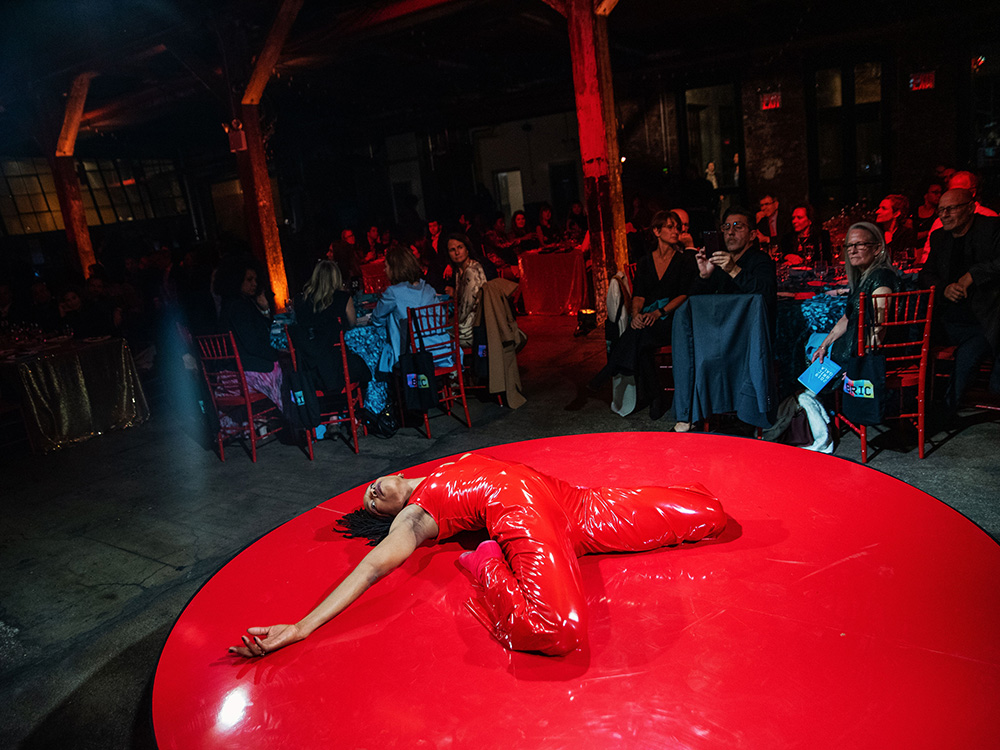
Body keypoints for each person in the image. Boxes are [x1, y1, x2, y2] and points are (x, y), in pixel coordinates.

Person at [228, 452, 726, 659]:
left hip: (568, 501)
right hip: (521, 512)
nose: (372, 494)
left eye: (371, 490)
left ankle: (500, 555)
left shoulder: (439, 468)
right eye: (372, 505)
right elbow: (373, 565)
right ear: (392, 515)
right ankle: (486, 562)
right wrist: (302, 626)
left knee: (708, 513)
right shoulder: (416, 515)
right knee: (557, 629)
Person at [590, 211, 697, 420]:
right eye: (670, 227)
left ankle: (615, 371)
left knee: (641, 337)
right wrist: (636, 314)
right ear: (656, 231)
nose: (676, 231)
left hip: (673, 317)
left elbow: (684, 294)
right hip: (650, 317)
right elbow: (638, 295)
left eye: (677, 227)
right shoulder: (645, 262)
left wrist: (659, 312)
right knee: (641, 334)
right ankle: (656, 395)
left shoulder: (684, 260)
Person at [918, 188, 1000, 413]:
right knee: (915, 339)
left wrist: (973, 275)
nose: (944, 215)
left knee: (969, 354)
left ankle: (947, 410)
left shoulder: (991, 228)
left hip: (984, 320)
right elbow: (925, 274)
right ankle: (912, 403)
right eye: (941, 210)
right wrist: (944, 289)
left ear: (970, 208)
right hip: (948, 317)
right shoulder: (939, 237)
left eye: (951, 209)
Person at [811, 222, 901, 368]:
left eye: (859, 245)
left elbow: (879, 328)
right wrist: (824, 345)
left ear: (877, 249)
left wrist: (858, 367)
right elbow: (847, 317)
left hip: (868, 358)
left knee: (808, 344)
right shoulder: (863, 277)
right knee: (813, 342)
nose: (852, 251)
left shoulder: (881, 277)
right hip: (852, 349)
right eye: (849, 245)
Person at [215, 256, 284, 410]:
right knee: (281, 368)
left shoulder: (232, 305)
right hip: (241, 373)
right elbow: (253, 344)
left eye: (255, 279)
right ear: (237, 280)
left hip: (229, 373)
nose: (254, 284)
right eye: (249, 280)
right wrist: (276, 353)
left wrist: (264, 309)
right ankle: (286, 415)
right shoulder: (238, 307)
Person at [292, 260, 371, 392]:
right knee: (366, 359)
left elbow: (298, 326)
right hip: (339, 366)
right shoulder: (343, 298)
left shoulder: (300, 300)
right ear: (336, 278)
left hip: (310, 368)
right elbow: (352, 324)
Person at [693, 205, 777, 324]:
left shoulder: (760, 260)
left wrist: (734, 270)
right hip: (723, 326)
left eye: (738, 227)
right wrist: (704, 276)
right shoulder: (720, 262)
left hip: (749, 328)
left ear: (752, 235)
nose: (730, 232)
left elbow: (767, 295)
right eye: (726, 227)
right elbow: (696, 304)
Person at [370, 246, 440, 373]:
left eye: (386, 266)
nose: (384, 270)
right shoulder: (428, 289)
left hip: (414, 355)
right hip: (440, 349)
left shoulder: (393, 293)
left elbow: (376, 319)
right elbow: (440, 317)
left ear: (395, 269)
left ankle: (399, 384)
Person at [917, 171, 998, 262]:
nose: (953, 195)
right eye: (951, 191)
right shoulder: (939, 223)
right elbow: (927, 257)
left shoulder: (990, 219)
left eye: (958, 191)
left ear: (973, 192)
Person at [444, 233, 488, 346]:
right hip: (467, 323)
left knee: (437, 334)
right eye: (452, 250)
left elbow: (466, 309)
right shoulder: (459, 271)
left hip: (473, 328)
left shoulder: (471, 271)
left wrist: (450, 322)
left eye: (460, 247)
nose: (457, 253)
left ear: (467, 249)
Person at [875, 194, 916, 261]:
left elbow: (907, 257)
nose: (877, 212)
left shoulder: (906, 234)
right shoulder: (874, 232)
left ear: (896, 213)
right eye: (879, 208)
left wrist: (889, 243)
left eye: (883, 208)